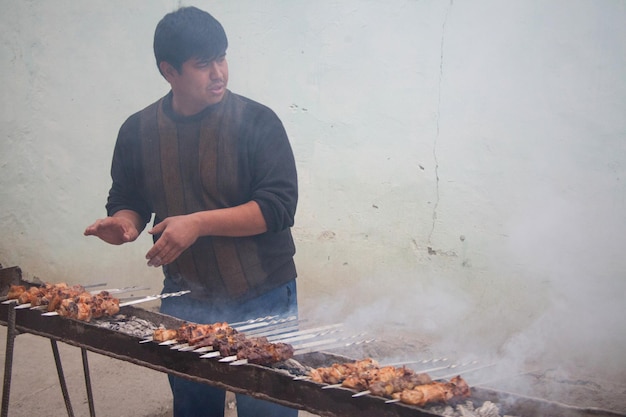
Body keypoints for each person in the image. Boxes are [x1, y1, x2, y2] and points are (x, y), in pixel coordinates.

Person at [84, 6, 299, 417]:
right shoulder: (138, 130)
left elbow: (278, 207)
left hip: (263, 293)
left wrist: (198, 223)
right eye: (203, 64)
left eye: (222, 57)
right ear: (169, 71)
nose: (219, 72)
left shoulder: (258, 122)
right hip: (187, 298)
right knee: (195, 406)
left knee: (268, 408)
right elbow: (129, 197)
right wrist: (125, 224)